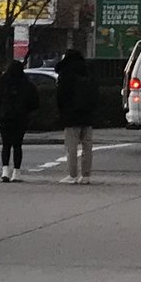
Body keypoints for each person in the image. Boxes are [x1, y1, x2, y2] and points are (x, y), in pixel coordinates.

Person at [53, 49, 102, 185]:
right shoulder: (88, 72)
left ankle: (72, 174)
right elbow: (96, 93)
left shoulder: (66, 73)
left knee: (72, 147)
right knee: (87, 146)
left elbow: (61, 96)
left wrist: (62, 112)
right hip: (87, 115)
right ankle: (86, 175)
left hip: (71, 115)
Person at [0, 59, 39, 182]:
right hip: (21, 118)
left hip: (5, 117)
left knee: (6, 145)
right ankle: (16, 172)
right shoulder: (27, 84)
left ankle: (5, 170)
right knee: (17, 145)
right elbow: (35, 103)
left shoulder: (1, 83)